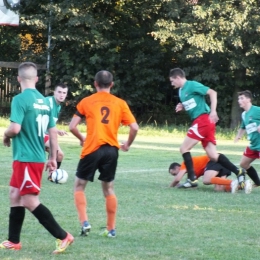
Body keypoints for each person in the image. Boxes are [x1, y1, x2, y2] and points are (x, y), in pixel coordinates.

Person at [0, 62, 74, 254]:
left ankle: (63, 236)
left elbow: (15, 129)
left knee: (30, 201)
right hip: (31, 157)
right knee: (14, 194)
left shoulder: (19, 99)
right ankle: (13, 241)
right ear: (37, 79)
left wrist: (5, 135)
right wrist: (52, 156)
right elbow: (53, 132)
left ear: (18, 79)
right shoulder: (45, 101)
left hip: (27, 158)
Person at [69, 70, 139, 238]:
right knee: (108, 188)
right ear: (112, 85)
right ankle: (111, 229)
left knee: (79, 186)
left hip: (92, 148)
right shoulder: (120, 103)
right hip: (111, 150)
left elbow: (72, 126)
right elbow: (134, 127)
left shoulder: (87, 101)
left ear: (95, 83)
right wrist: (127, 144)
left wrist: (82, 138)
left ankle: (85, 222)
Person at [169, 68, 247, 189]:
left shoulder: (192, 85)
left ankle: (192, 178)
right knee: (213, 156)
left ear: (178, 78)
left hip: (203, 120)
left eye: (172, 81)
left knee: (184, 148)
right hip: (203, 122)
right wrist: (182, 106)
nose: (171, 84)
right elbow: (193, 104)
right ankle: (238, 172)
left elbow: (212, 93)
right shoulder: (181, 92)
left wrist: (213, 111)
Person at [168, 155, 252, 194]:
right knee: (218, 189)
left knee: (206, 180)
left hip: (214, 161)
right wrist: (181, 186)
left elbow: (177, 179)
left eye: (174, 173)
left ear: (178, 168)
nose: (175, 175)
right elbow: (194, 186)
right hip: (217, 166)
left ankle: (233, 182)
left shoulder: (184, 163)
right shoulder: (191, 173)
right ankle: (244, 185)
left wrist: (170, 186)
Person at [234, 90, 260, 190]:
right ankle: (257, 182)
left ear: (249, 99)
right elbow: (243, 126)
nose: (239, 100)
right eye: (238, 98)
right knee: (243, 164)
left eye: (242, 98)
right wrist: (238, 136)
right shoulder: (244, 114)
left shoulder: (257, 110)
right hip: (253, 144)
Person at [45, 83, 68, 180]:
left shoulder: (58, 106)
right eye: (59, 92)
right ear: (54, 92)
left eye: (64, 93)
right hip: (37, 134)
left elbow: (49, 124)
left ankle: (52, 176)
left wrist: (57, 131)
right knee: (57, 153)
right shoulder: (48, 102)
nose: (61, 95)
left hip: (46, 134)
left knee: (60, 155)